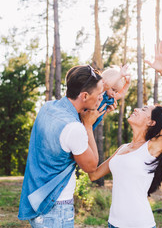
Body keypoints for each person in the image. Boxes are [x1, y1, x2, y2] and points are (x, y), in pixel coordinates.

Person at [88, 40, 162, 228]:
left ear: (151, 122)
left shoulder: (153, 148)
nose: (136, 109)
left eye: (143, 109)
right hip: (113, 224)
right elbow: (93, 174)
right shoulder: (123, 148)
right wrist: (89, 126)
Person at [18, 65, 117, 228]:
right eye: (100, 95)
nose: (101, 98)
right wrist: (87, 126)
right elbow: (91, 166)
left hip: (38, 200)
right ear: (85, 95)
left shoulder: (47, 107)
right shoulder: (74, 127)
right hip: (55, 208)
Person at [92, 65, 131, 129]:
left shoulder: (110, 98)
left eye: (116, 92)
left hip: (94, 121)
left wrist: (128, 83)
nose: (114, 94)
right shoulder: (101, 92)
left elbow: (122, 93)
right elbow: (107, 84)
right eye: (113, 89)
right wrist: (119, 75)